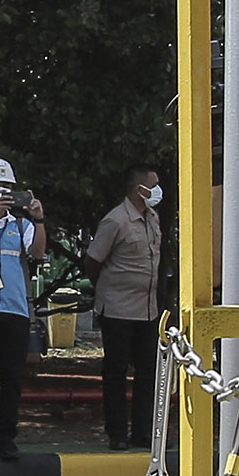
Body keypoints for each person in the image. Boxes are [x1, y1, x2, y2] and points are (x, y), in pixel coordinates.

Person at [82, 162, 166, 448]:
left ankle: (142, 433)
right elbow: (93, 261)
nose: (157, 190)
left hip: (148, 309)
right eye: (152, 185)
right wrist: (108, 289)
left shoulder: (153, 218)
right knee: (116, 373)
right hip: (117, 308)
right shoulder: (115, 220)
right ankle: (117, 433)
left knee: (148, 373)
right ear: (137, 189)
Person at [0, 157, 44, 464]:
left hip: (14, 309)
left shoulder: (22, 225)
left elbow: (37, 253)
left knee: (12, 379)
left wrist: (39, 219)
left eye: (7, 188)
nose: (1, 192)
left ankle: (6, 439)